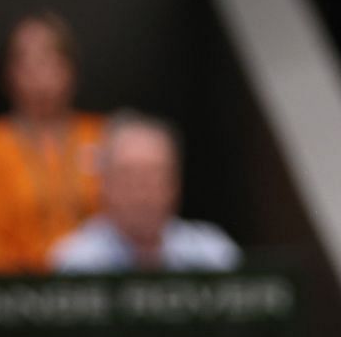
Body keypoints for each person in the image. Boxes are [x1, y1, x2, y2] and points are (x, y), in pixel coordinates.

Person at [0, 12, 106, 274]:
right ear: (8, 73)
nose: (39, 72)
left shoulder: (101, 136)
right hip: (19, 293)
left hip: (95, 287)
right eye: (26, 60)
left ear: (71, 69)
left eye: (51, 59)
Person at [50, 114, 240, 273]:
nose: (141, 193)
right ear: (104, 185)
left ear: (175, 184)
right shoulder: (75, 263)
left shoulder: (214, 255)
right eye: (128, 176)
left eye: (154, 176)